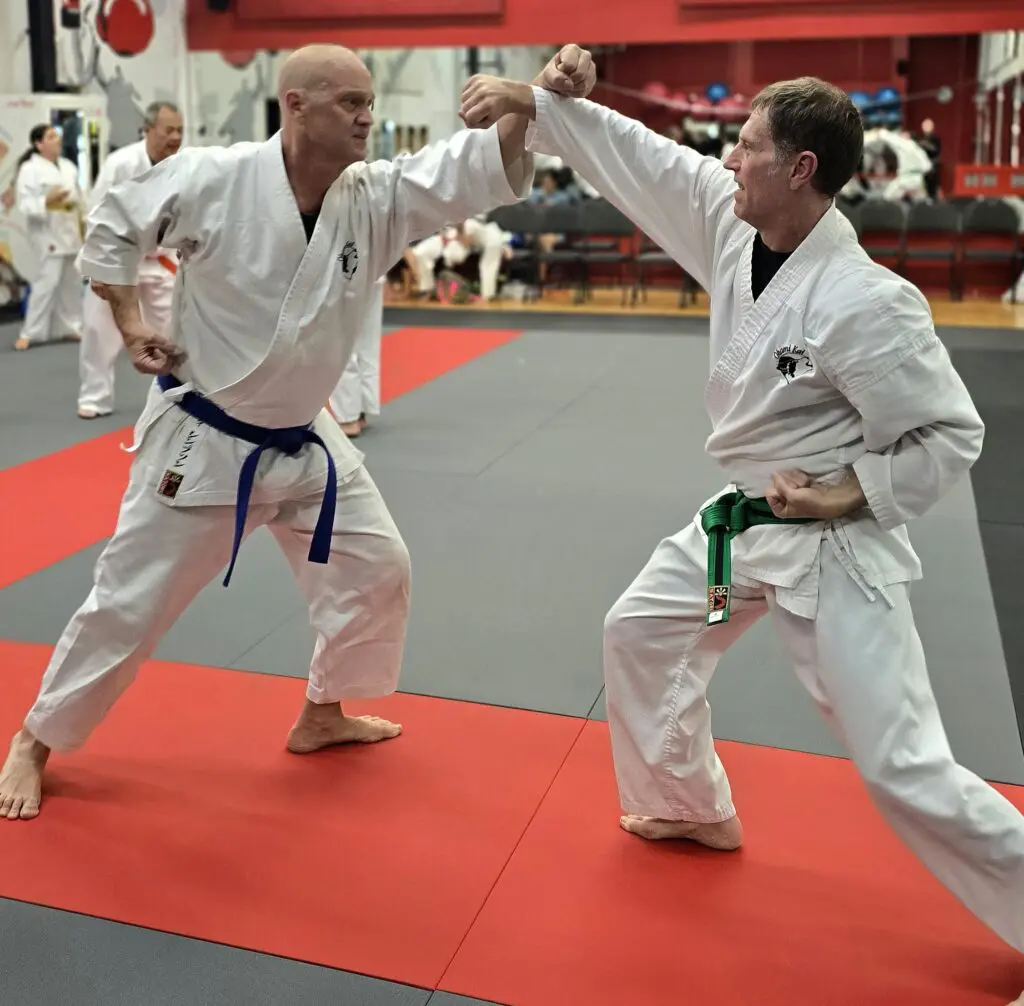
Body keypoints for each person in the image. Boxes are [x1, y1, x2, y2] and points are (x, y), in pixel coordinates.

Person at [461, 48, 1024, 998]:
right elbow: (646, 158)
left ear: (800, 168)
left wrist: (850, 491)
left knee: (899, 765)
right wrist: (543, 105)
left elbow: (948, 436)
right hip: (747, 520)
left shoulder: (867, 303)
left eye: (747, 146)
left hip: (837, 546)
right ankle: (686, 806)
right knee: (639, 631)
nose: (727, 159)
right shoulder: (732, 224)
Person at [0, 42, 561, 823]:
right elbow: (114, 224)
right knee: (127, 604)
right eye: (350, 104)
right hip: (206, 440)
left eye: (370, 103)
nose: (368, 118)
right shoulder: (215, 179)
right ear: (295, 105)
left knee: (376, 568)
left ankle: (323, 711)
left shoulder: (376, 194)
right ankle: (35, 737)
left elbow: (477, 167)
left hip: (305, 437)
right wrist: (131, 325)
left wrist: (534, 95)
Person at [77, 102, 185, 419]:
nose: (176, 136)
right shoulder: (121, 163)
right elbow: (96, 213)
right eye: (169, 130)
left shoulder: (185, 163)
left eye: (180, 129)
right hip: (116, 259)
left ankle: (177, 393)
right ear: (148, 129)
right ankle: (94, 396)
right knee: (100, 331)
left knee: (174, 328)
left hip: (161, 258)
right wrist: (98, 267)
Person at [12, 124, 84, 351]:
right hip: (47, 233)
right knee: (47, 282)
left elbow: (81, 197)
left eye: (57, 136)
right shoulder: (29, 170)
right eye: (51, 137)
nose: (57, 140)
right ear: (38, 143)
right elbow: (24, 205)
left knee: (70, 283)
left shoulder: (68, 167)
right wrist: (47, 200)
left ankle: (70, 326)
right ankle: (30, 332)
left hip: (70, 229)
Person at [329, 274, 385, 437]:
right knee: (367, 343)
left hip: (345, 269)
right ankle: (361, 409)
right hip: (376, 268)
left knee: (340, 339)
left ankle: (348, 417)